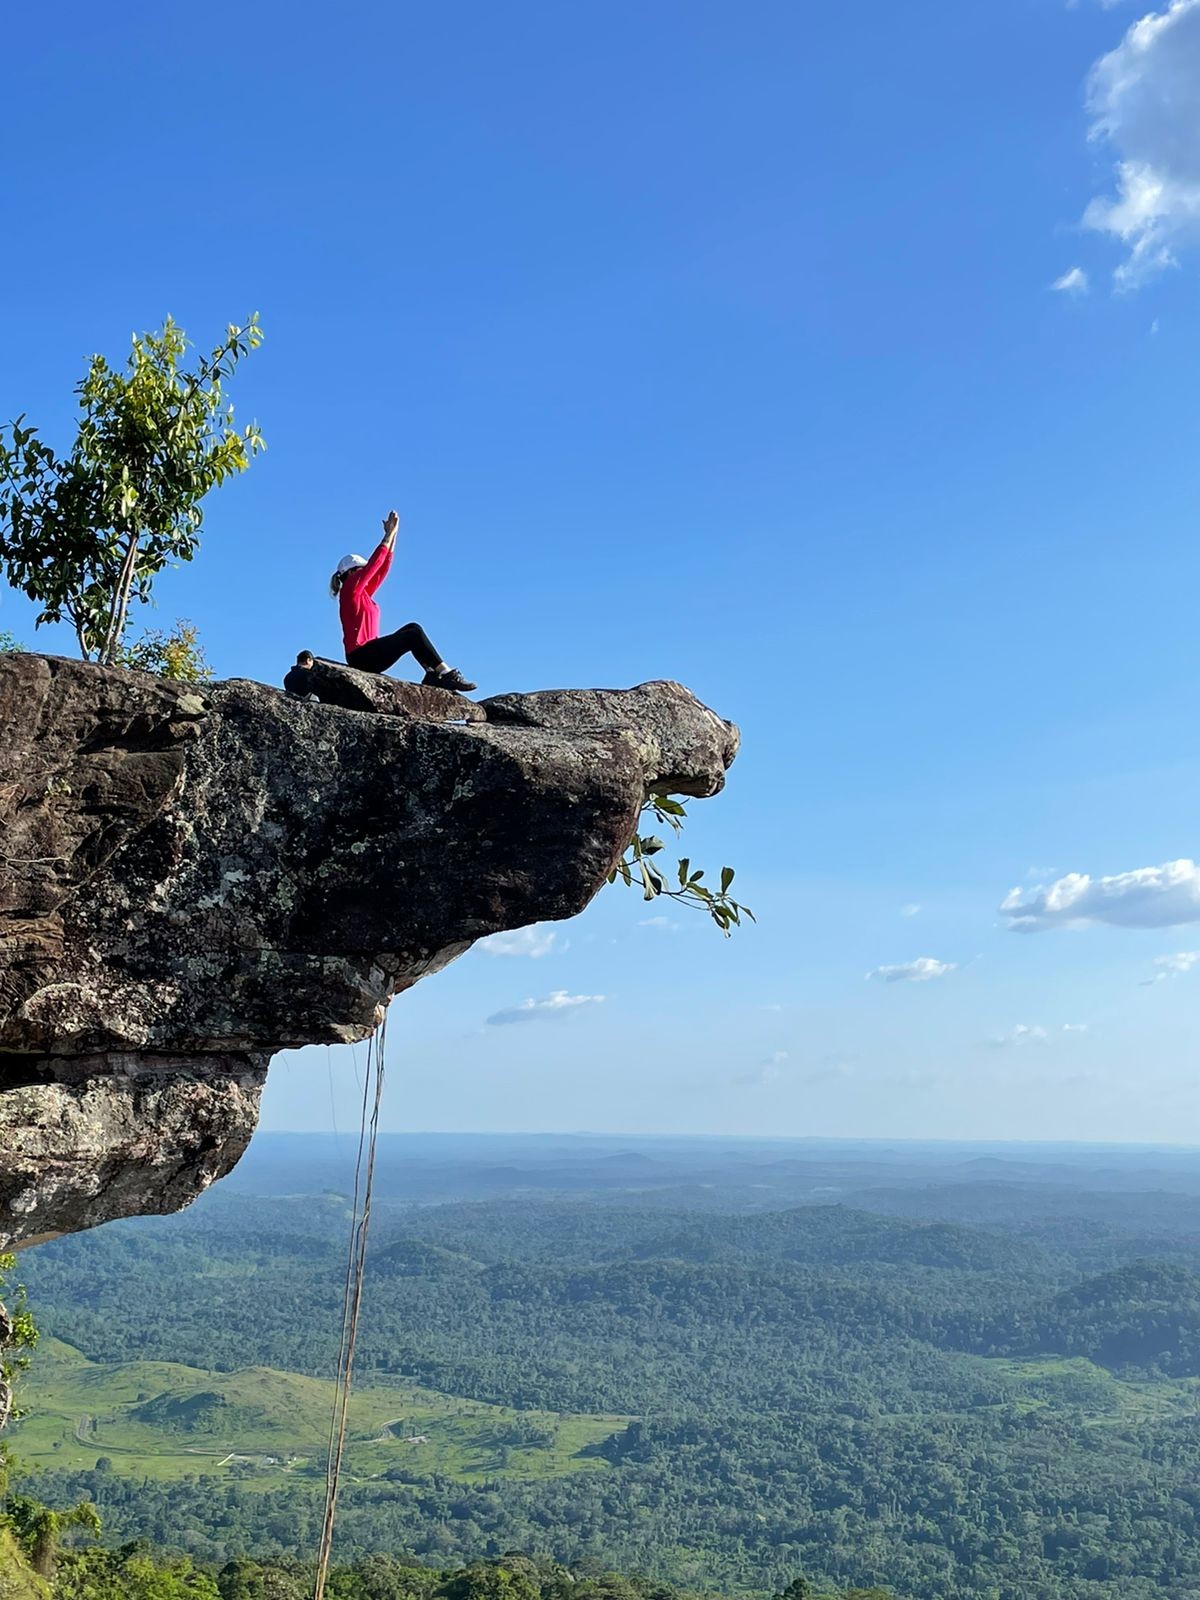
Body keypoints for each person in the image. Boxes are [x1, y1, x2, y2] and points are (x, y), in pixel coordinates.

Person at [330, 510, 475, 691]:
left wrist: (394, 533)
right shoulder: (350, 589)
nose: (365, 572)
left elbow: (382, 569)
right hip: (362, 656)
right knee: (412, 636)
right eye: (361, 570)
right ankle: (446, 674)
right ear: (351, 573)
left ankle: (432, 673)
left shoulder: (362, 594)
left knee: (412, 628)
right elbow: (375, 563)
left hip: (369, 652)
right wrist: (387, 535)